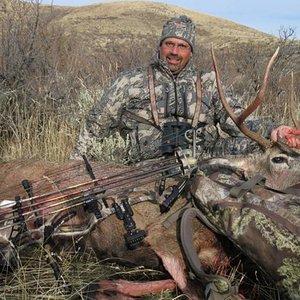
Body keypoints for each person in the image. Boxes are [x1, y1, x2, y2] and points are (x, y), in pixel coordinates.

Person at [71, 15, 298, 164]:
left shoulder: (208, 81)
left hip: (205, 155)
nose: (174, 52)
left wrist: (274, 130)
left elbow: (235, 120)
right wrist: (76, 163)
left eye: (182, 46)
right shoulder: (129, 81)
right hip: (145, 162)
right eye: (169, 44)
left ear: (191, 51)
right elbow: (95, 125)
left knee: (268, 151)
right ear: (160, 46)